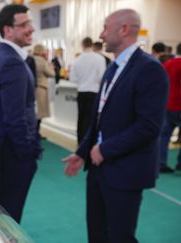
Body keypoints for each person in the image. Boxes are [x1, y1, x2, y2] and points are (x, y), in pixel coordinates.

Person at [63, 9, 168, 243]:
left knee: (119, 237)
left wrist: (105, 149)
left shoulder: (150, 69)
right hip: (99, 169)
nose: (101, 34)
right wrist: (82, 152)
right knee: (98, 234)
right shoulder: (112, 67)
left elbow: (149, 126)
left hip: (125, 170)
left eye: (105, 28)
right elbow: (100, 118)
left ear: (124, 30)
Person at [0, 4, 41, 223]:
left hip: (1, 147)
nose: (31, 29)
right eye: (24, 24)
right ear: (8, 30)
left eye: (30, 23)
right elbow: (15, 117)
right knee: (9, 217)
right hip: (13, 153)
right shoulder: (11, 62)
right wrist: (28, 154)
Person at [70, 37, 106, 144]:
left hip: (81, 91)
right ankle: (89, 143)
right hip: (94, 92)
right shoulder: (100, 59)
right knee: (92, 119)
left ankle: (80, 143)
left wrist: (83, 80)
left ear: (82, 45)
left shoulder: (77, 59)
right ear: (92, 45)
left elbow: (73, 78)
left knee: (81, 118)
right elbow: (102, 77)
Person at [159, 42, 181, 173]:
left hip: (167, 103)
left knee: (164, 135)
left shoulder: (168, 63)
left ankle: (161, 162)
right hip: (178, 104)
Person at [32, 44, 55, 135]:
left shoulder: (30, 59)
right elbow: (51, 74)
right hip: (41, 88)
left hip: (32, 88)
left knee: (34, 111)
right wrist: (51, 66)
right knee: (39, 113)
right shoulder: (43, 61)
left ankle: (33, 132)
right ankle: (36, 132)